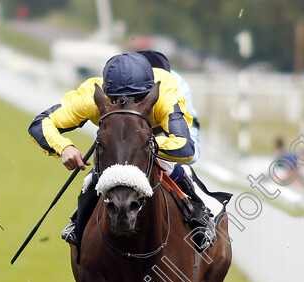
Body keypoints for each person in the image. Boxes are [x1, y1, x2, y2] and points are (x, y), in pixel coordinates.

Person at [28, 52, 213, 253]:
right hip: (116, 136)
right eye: (116, 100)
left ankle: (199, 212)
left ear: (149, 93)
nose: (128, 104)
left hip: (159, 133)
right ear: (106, 95)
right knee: (95, 174)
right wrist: (65, 147)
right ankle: (78, 222)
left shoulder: (167, 89)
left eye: (138, 99)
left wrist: (147, 146)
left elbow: (185, 146)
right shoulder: (90, 96)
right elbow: (41, 123)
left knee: (179, 166)